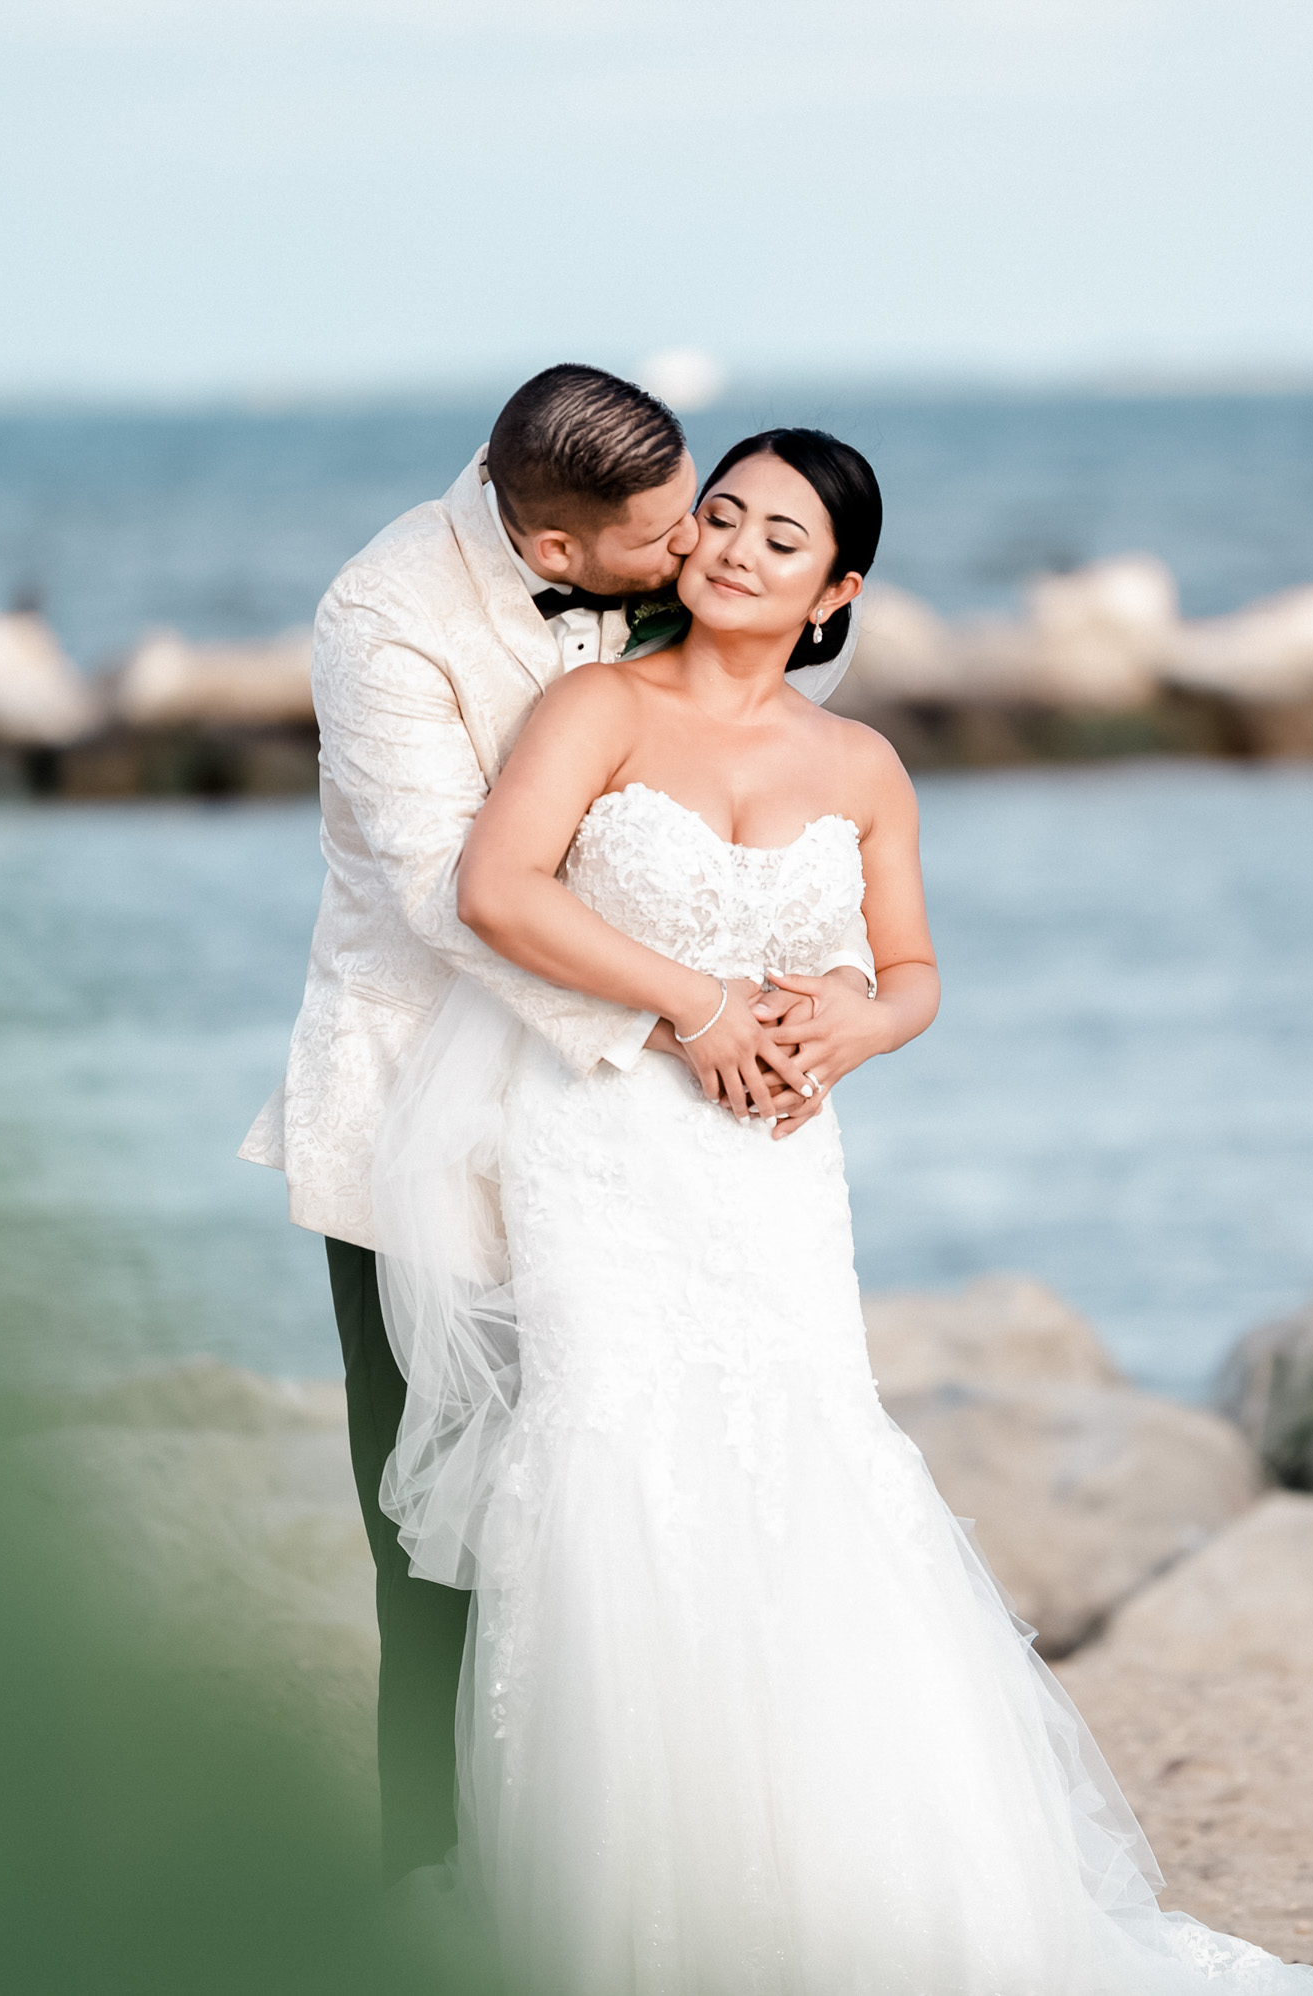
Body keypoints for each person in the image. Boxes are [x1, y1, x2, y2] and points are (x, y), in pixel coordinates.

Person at [378, 427, 1313, 1991]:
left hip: (772, 1172)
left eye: (783, 538)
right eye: (725, 516)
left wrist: (849, 1024)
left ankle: (847, 1891)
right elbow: (500, 889)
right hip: (609, 1142)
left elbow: (915, 975)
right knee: (619, 1465)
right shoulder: (596, 708)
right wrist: (697, 1008)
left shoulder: (862, 767)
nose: (738, 547)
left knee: (808, 1459)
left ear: (837, 590)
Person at [238, 368, 878, 1881]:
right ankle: (433, 1900)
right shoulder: (384, 618)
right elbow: (443, 893)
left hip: (655, 1139)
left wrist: (823, 986)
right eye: (670, 534)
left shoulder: (682, 561)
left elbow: (762, 773)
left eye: (713, 513)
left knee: (659, 1496)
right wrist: (692, 1015)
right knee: (443, 1542)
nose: (700, 552)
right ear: (559, 552)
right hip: (424, 1119)